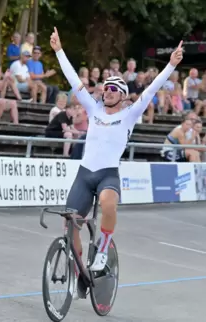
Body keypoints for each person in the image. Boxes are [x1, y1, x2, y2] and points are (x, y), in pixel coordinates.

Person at [49, 27, 183, 286]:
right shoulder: (93, 108)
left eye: (114, 88)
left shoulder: (130, 114)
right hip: (85, 174)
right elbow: (73, 78)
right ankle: (80, 274)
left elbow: (152, 89)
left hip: (108, 174)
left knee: (109, 204)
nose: (107, 91)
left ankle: (103, 247)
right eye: (106, 87)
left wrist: (170, 65)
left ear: (122, 96)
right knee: (70, 224)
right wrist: (58, 51)